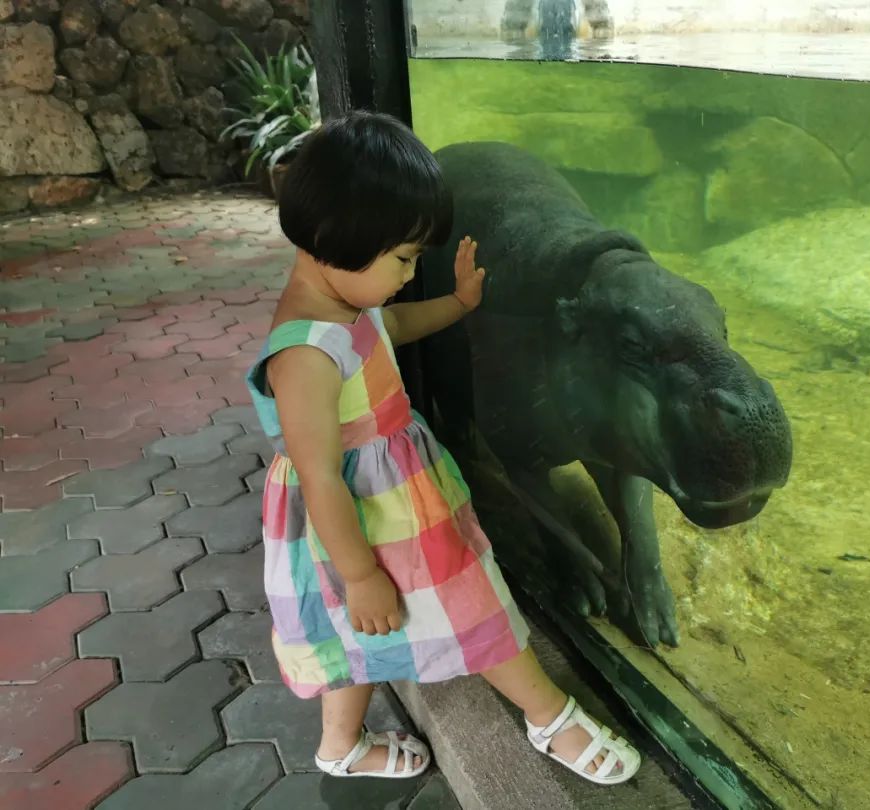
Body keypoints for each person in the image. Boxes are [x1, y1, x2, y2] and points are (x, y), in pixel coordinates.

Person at [245, 110, 641, 785]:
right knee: (472, 604)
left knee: (355, 640)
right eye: (403, 258)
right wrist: (362, 575)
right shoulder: (304, 356)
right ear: (338, 239)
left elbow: (387, 324)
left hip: (394, 501)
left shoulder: (343, 299)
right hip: (364, 520)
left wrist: (457, 305)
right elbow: (319, 478)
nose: (407, 274)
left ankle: (340, 746)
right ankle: (549, 718)